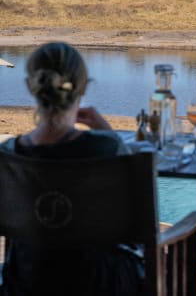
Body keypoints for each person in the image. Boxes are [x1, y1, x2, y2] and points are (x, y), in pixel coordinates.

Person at [0, 42, 143, 296]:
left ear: (30, 88)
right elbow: (137, 210)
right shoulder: (105, 148)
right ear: (83, 88)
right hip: (100, 283)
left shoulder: (10, 155)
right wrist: (108, 132)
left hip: (25, 281)